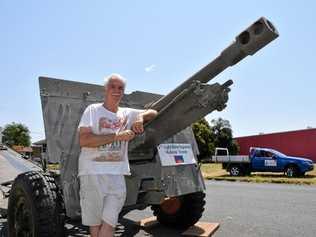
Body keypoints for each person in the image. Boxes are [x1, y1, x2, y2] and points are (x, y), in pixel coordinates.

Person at [78, 73, 157, 237]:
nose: (116, 90)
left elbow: (154, 112)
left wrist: (140, 117)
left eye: (120, 88)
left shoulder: (127, 113)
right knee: (95, 225)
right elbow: (84, 140)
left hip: (116, 175)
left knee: (110, 223)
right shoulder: (92, 110)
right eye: (112, 86)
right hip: (92, 173)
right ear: (106, 89)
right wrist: (116, 136)